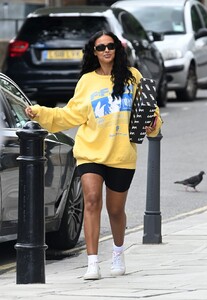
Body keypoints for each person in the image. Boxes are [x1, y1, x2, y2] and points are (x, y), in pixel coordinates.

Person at [25, 30, 162, 280]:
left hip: (121, 155)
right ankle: (92, 262)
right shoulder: (87, 81)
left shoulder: (133, 78)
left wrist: (154, 124)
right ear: (94, 52)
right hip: (90, 152)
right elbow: (71, 115)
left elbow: (150, 111)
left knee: (116, 210)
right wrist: (41, 113)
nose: (106, 50)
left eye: (111, 46)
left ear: (117, 49)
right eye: (101, 47)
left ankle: (118, 253)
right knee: (91, 200)